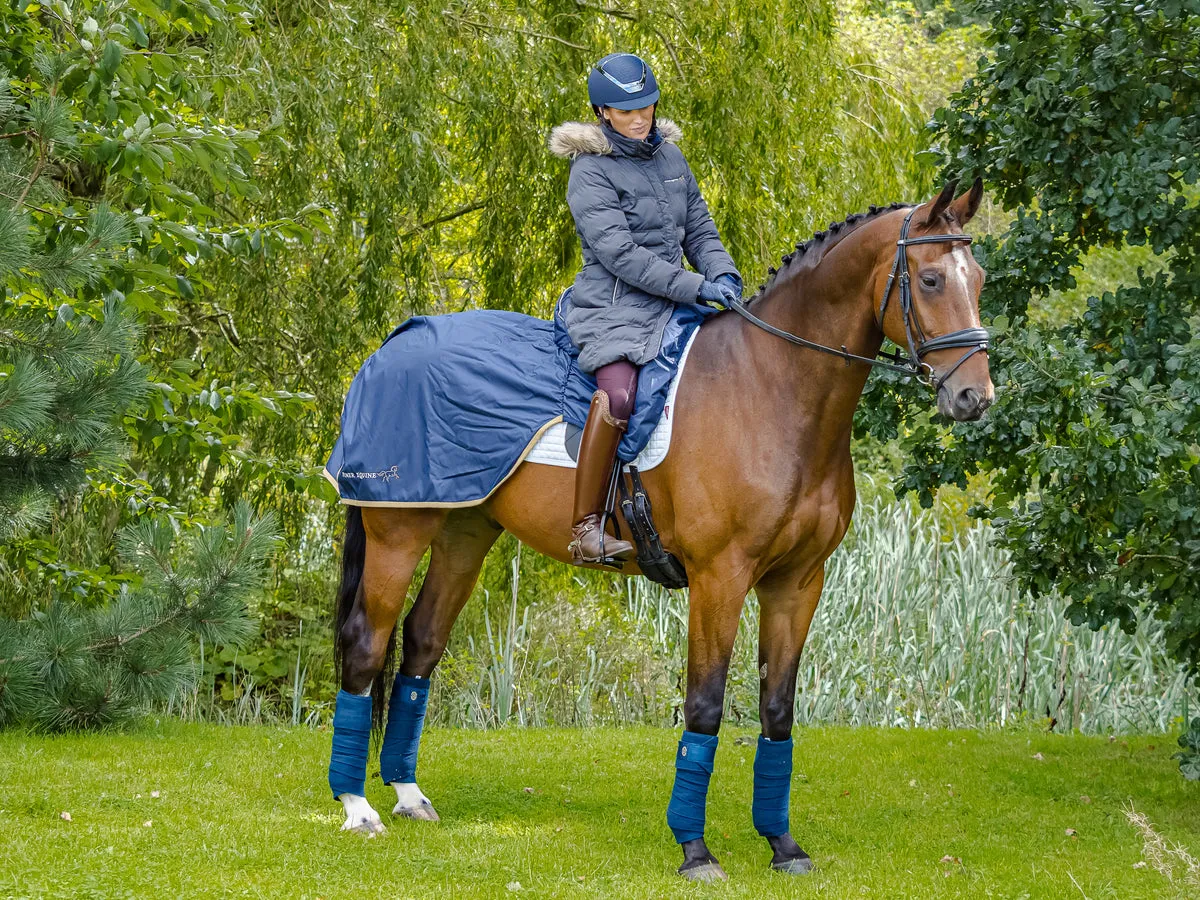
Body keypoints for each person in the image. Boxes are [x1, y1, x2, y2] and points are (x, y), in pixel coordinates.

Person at [549, 52, 743, 566]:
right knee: (616, 396)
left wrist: (722, 274)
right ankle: (586, 527)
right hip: (612, 305)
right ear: (602, 112)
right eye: (626, 109)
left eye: (647, 107)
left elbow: (700, 229)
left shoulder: (672, 160)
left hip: (677, 299)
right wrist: (696, 285)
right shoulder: (588, 172)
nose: (640, 118)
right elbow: (620, 256)